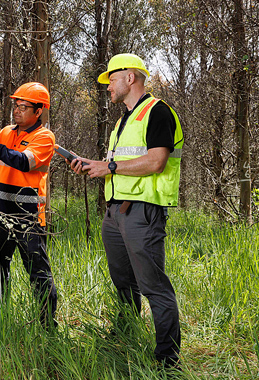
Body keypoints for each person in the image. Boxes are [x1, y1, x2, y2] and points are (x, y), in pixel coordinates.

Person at [69, 54, 183, 368]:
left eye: (111, 79)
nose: (108, 87)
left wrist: (110, 166)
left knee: (153, 287)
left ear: (130, 77)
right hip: (115, 214)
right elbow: (118, 168)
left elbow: (155, 162)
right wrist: (95, 168)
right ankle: (126, 335)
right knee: (124, 283)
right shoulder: (122, 121)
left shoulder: (158, 112)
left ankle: (167, 361)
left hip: (143, 215)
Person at [0, 82, 58, 328]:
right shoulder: (7, 132)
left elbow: (22, 162)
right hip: (0, 212)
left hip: (28, 217)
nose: (16, 110)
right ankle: (1, 318)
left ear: (39, 111)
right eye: (15, 105)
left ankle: (48, 327)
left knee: (38, 273)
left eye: (23, 106)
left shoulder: (44, 137)